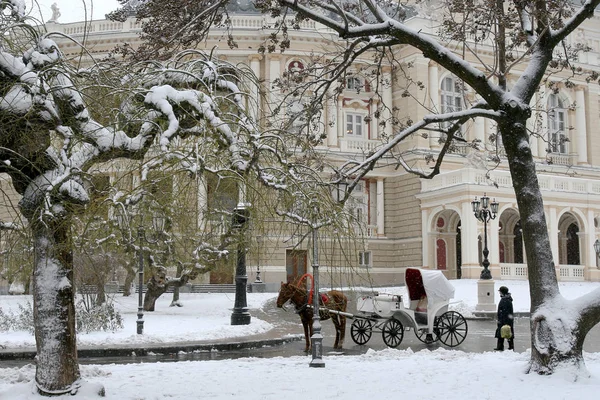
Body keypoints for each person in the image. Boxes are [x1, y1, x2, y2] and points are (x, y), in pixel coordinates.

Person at [494, 286, 514, 351]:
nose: (499, 293)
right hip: (504, 319)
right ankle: (502, 346)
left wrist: (504, 321)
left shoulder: (505, 300)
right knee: (504, 333)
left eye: (500, 291)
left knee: (506, 332)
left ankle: (508, 347)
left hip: (504, 320)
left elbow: (505, 312)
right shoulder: (506, 299)